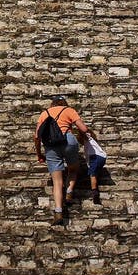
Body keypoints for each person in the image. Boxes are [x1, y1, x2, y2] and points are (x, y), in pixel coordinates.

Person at [35, 95, 89, 226]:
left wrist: (39, 154)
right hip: (68, 141)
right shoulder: (69, 110)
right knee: (73, 169)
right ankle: (69, 191)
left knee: (57, 182)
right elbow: (84, 129)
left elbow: (36, 136)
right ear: (64, 102)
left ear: (52, 103)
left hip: (51, 145)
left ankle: (58, 211)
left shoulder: (44, 113)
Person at [78, 129, 107, 204]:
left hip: (95, 157)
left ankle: (95, 193)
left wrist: (79, 128)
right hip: (102, 157)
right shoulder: (92, 142)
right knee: (95, 173)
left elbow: (87, 157)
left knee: (92, 175)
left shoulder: (88, 139)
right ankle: (95, 187)